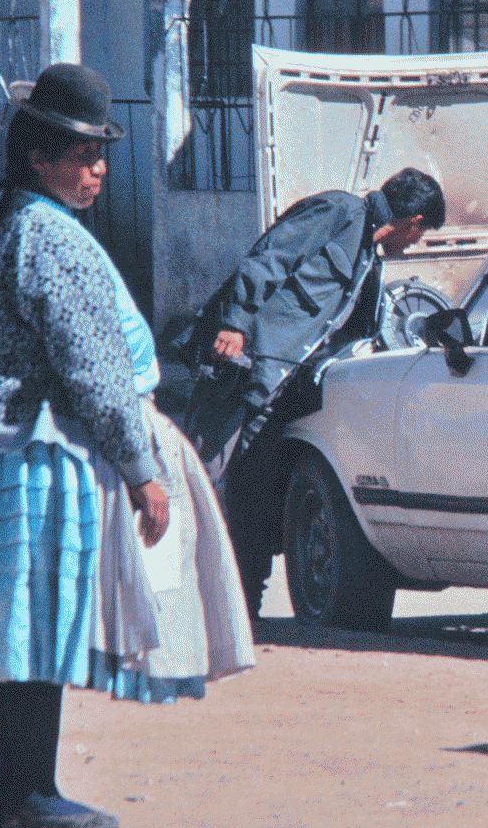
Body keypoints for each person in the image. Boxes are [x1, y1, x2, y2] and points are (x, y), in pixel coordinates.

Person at [0, 64, 253, 828]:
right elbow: (95, 368)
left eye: (100, 154)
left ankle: (17, 786)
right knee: (37, 624)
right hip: (40, 456)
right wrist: (141, 472)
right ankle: (28, 790)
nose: (97, 169)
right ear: (40, 157)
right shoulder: (55, 238)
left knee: (17, 628)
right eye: (83, 154)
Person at [182, 168, 445, 613]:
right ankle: (175, 605)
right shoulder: (339, 211)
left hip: (280, 390)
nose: (414, 243)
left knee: (256, 495)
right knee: (200, 480)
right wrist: (235, 323)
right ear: (414, 221)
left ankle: (244, 611)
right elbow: (268, 259)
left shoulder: (369, 260)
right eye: (420, 235)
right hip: (242, 370)